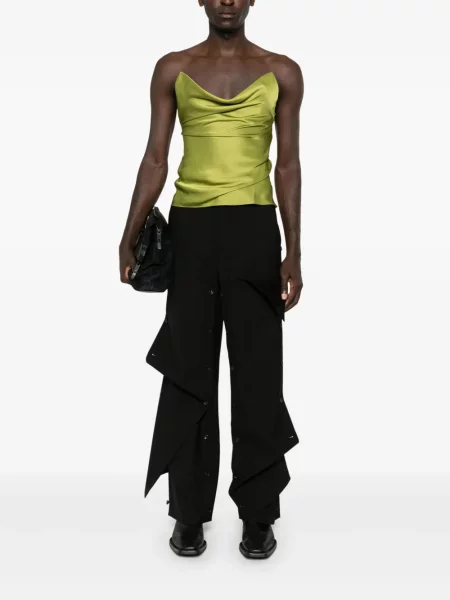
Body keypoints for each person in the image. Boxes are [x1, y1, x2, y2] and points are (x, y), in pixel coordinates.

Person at [119, 0, 304, 559]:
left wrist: (294, 250)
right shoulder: (173, 68)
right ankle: (189, 512)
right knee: (189, 370)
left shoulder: (282, 71)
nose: (226, 0)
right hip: (192, 233)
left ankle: (258, 514)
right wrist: (129, 232)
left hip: (255, 231)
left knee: (258, 374)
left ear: (252, 0)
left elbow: (288, 165)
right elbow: (155, 158)